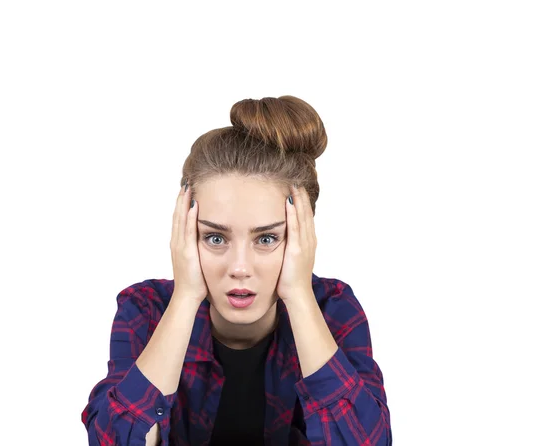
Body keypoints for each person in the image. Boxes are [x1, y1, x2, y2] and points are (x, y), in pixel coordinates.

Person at [81, 95, 392, 445]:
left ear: (302, 237)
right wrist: (185, 297)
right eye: (215, 238)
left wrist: (300, 295)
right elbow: (114, 440)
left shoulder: (332, 308)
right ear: (185, 233)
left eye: (267, 238)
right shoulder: (146, 309)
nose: (240, 268)